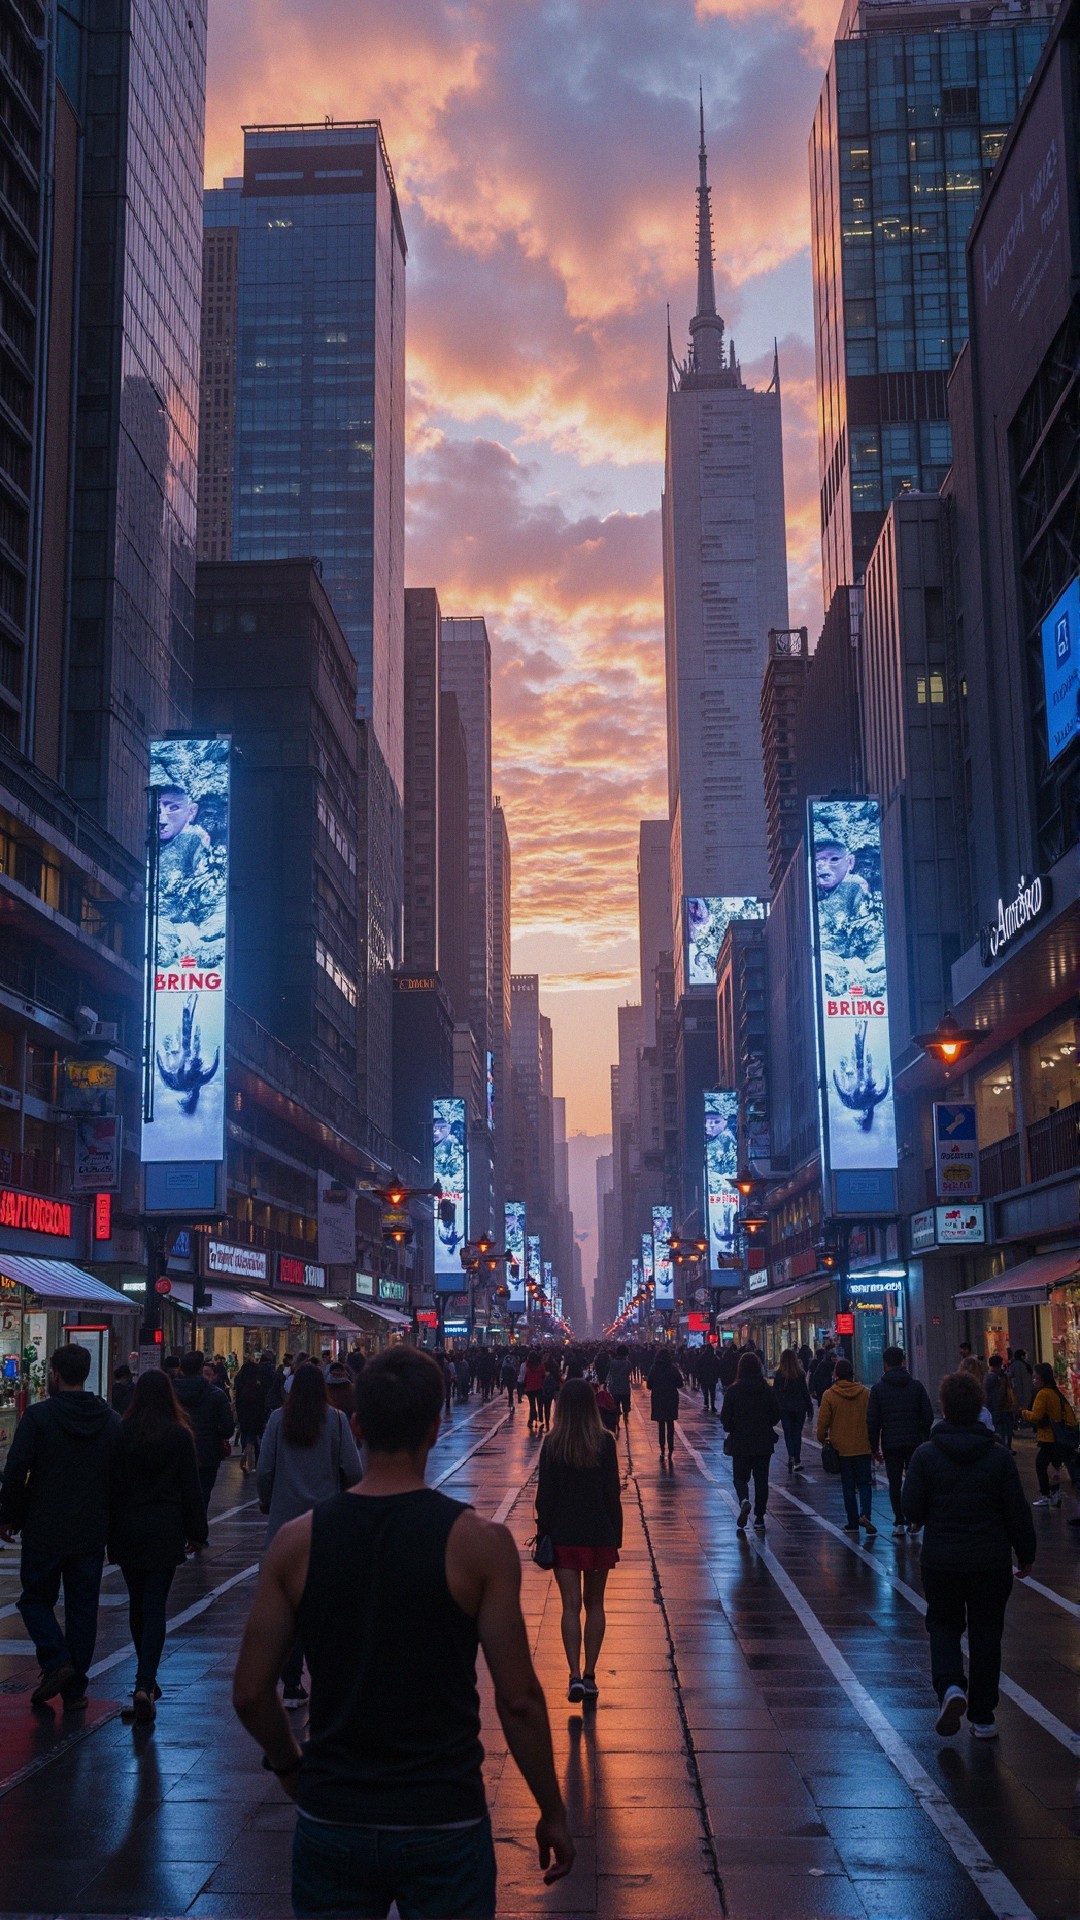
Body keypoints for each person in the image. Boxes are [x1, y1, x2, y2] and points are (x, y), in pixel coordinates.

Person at [233, 1347, 574, 1918]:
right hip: (444, 1812)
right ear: (436, 1426)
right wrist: (551, 1807)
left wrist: (292, 1766)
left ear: (358, 1426)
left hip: (333, 1812)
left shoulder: (296, 1543)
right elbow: (517, 1699)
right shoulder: (480, 1545)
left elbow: (248, 1691)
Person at [902, 1369, 1036, 1740]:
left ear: (943, 1406)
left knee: (943, 1623)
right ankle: (983, 1716)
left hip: (942, 1558)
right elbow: (1017, 1511)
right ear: (979, 1407)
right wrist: (1026, 1553)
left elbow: (911, 1509)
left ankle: (950, 1687)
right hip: (990, 1560)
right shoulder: (998, 1457)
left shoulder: (925, 1455)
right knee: (987, 1633)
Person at [0, 1344, 120, 1711]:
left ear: (54, 1374)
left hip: (45, 1524)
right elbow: (119, 1474)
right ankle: (75, 1687)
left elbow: (16, 1470)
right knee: (83, 1608)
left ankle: (56, 1662)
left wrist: (7, 1516)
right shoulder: (109, 1420)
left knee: (35, 1600)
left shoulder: (38, 1417)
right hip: (90, 1526)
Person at [258, 1362, 363, 1710]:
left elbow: (265, 1470)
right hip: (326, 1523)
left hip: (285, 1526)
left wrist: (266, 1501)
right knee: (325, 1606)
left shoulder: (277, 1420)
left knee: (289, 1607)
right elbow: (354, 1469)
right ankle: (328, 1681)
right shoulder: (335, 1420)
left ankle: (290, 1683)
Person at [108, 1368, 207, 1721]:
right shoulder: (179, 1436)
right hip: (165, 1527)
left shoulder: (122, 1433)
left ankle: (145, 1680)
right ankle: (145, 1681)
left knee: (138, 1604)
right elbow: (190, 1488)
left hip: (128, 1527)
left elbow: (112, 1484)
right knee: (155, 1607)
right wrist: (197, 1532)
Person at [535, 1379, 622, 1705]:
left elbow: (545, 1496)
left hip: (564, 1533)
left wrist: (544, 1533)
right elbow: (611, 1493)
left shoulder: (553, 1444)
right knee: (595, 1604)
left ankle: (572, 1674)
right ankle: (590, 1675)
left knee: (570, 1605)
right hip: (599, 1532)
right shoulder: (604, 1442)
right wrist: (616, 1534)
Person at [867, 1346, 934, 1535]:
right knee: (914, 1481)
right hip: (915, 1441)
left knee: (894, 1482)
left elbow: (873, 1420)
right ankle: (915, 1519)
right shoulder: (916, 1386)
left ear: (886, 1364)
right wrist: (922, 1433)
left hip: (891, 1443)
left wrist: (874, 1446)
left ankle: (899, 1520)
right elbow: (928, 1415)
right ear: (903, 1362)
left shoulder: (878, 1389)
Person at [721, 1352, 782, 1530]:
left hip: (740, 1441)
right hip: (763, 1442)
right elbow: (776, 1413)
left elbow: (725, 1418)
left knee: (740, 1478)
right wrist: (766, 1424)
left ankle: (744, 1500)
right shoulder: (766, 1389)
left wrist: (732, 1426)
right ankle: (760, 1517)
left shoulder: (733, 1390)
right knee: (761, 1480)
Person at [817, 1357, 876, 1536]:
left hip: (841, 1448)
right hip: (863, 1445)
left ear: (836, 1374)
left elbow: (823, 1423)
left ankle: (852, 1522)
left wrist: (823, 1440)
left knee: (848, 1486)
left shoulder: (830, 1395)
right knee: (865, 1483)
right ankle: (865, 1514)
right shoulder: (865, 1393)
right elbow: (872, 1419)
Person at [173, 1350, 234, 1516]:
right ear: (201, 1370)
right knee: (202, 1495)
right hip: (207, 1454)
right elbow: (228, 1427)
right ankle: (197, 1533)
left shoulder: (170, 1393)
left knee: (178, 1494)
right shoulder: (216, 1395)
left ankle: (181, 1532)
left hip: (175, 1452)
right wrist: (215, 1434)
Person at [1020, 1363, 1078, 1506]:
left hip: (1048, 1437)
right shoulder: (1055, 1392)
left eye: (1035, 1378)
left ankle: (1046, 1495)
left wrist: (1023, 1413)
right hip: (1058, 1438)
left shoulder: (1043, 1394)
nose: (1033, 1380)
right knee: (1054, 1465)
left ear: (1042, 1378)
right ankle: (1055, 1494)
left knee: (1041, 1465)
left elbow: (1036, 1416)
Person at [772, 1349, 813, 1472]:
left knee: (788, 1434)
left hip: (785, 1408)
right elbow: (805, 1392)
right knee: (797, 1433)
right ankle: (797, 1459)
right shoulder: (800, 1374)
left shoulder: (779, 1374)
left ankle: (791, 1456)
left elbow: (775, 1393)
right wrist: (809, 1407)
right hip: (799, 1408)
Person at [646, 1348, 683, 1463]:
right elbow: (680, 1384)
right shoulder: (672, 1369)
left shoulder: (654, 1368)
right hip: (671, 1398)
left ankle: (662, 1448)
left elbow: (649, 1385)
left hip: (658, 1398)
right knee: (670, 1424)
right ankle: (670, 1448)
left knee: (661, 1425)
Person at [234, 1358, 269, 1470]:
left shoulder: (240, 1378)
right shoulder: (258, 1382)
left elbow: (237, 1395)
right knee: (256, 1436)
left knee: (245, 1433)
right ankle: (256, 1462)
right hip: (257, 1412)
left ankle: (246, 1451)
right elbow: (263, 1397)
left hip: (243, 1412)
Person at [983, 1354, 1016, 1451]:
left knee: (1003, 1430)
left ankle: (1006, 1448)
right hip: (1000, 1408)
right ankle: (1005, 1448)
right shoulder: (995, 1377)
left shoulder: (991, 1377)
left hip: (999, 1408)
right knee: (1003, 1431)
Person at [607, 1345, 632, 1432]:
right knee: (626, 1405)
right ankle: (626, 1416)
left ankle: (617, 1419)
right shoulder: (628, 1363)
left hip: (615, 1388)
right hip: (625, 1388)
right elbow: (629, 1372)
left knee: (615, 1406)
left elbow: (611, 1374)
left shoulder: (612, 1363)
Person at [523, 1349, 546, 1430]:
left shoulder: (527, 1365)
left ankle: (532, 1419)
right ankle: (540, 1419)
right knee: (540, 1404)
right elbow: (543, 1375)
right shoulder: (541, 1365)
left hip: (529, 1387)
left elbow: (525, 1375)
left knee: (532, 1405)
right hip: (539, 1387)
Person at [697, 1341, 722, 1415]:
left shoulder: (702, 1357)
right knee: (712, 1392)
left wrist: (699, 1377)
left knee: (705, 1392)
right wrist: (717, 1375)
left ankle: (706, 1404)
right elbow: (718, 1367)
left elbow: (699, 1367)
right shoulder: (715, 1357)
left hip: (704, 1377)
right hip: (712, 1377)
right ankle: (712, 1405)